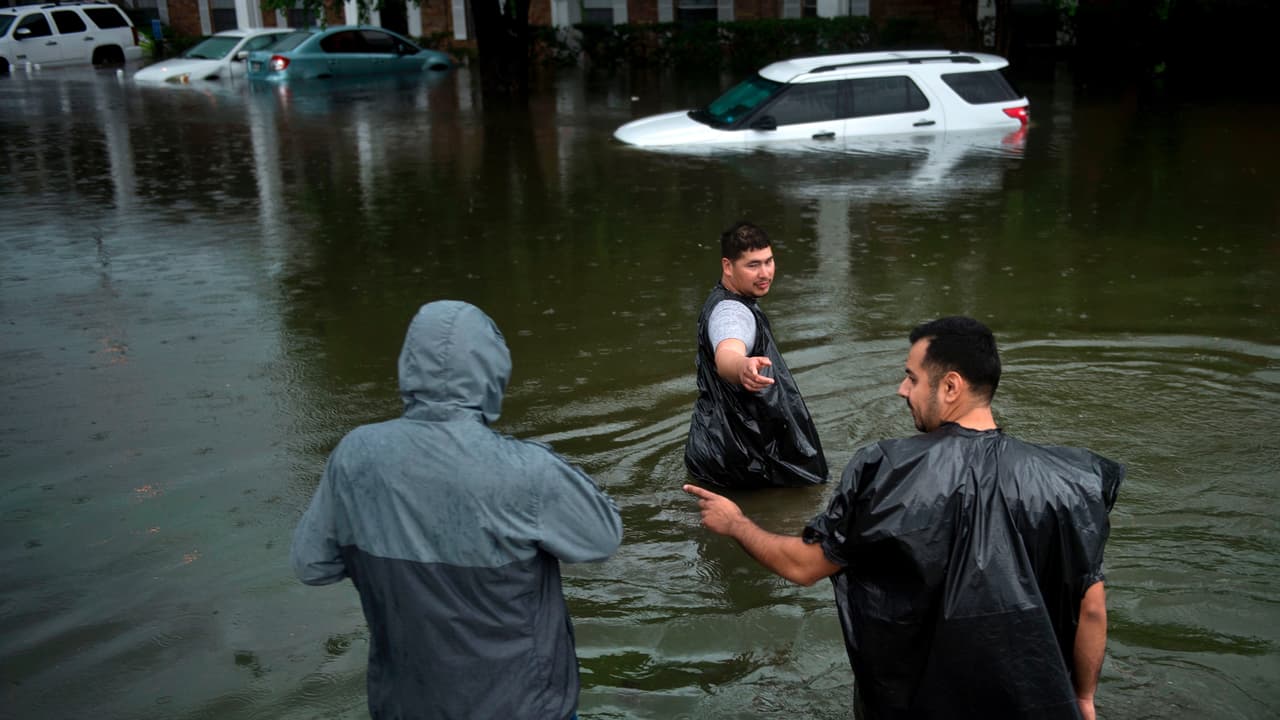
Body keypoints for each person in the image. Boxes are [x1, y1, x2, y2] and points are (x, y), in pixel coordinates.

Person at [685, 316, 1123, 719]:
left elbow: (803, 567)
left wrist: (736, 523)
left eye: (912, 377)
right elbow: (1092, 609)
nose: (901, 389)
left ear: (950, 386)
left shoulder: (887, 471)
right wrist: (1083, 699)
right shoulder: (1069, 483)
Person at [291, 300, 623, 720]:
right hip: (523, 708)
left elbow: (312, 565)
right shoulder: (525, 469)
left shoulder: (354, 454)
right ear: (492, 370)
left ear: (408, 365)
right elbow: (602, 535)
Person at [684, 221, 828, 488]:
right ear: (728, 266)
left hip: (712, 448)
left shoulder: (725, 300)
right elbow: (727, 351)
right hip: (742, 461)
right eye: (753, 265)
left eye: (769, 261)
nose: (765, 273)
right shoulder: (731, 312)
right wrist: (742, 367)